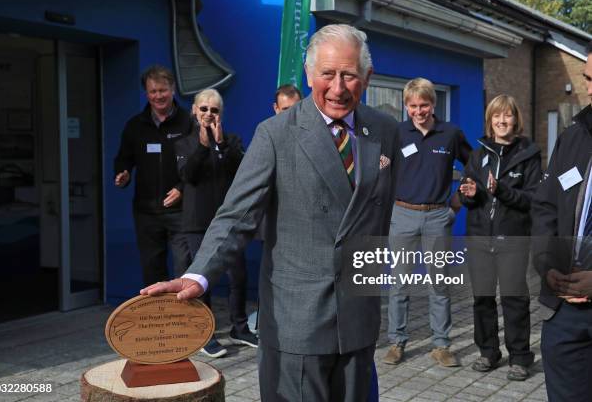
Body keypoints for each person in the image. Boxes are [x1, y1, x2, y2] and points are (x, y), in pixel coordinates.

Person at [141, 24, 400, 401]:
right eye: (327, 74)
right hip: (298, 321)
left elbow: (379, 213)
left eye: (349, 75)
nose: (339, 87)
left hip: (359, 315)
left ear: (368, 76)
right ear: (310, 75)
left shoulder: (385, 130)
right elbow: (237, 214)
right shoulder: (275, 134)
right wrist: (200, 273)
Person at [384, 77, 471, 367]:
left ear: (433, 104)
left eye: (424, 105)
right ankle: (396, 341)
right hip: (402, 214)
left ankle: (441, 345)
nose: (418, 111)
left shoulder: (451, 133)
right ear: (405, 106)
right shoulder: (396, 134)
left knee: (439, 284)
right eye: (412, 106)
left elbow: (475, 168)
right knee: (399, 284)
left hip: (437, 216)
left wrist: (456, 205)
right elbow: (381, 172)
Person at [459, 95, 540, 380]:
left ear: (516, 119)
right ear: (490, 120)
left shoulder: (528, 154)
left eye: (507, 116)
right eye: (496, 116)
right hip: (479, 237)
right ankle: (488, 352)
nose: (501, 121)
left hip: (513, 238)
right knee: (482, 298)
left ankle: (520, 357)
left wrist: (502, 191)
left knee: (514, 299)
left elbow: (532, 199)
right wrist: (468, 194)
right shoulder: (478, 154)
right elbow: (470, 192)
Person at [174, 88, 256, 358]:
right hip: (197, 222)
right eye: (204, 109)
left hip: (228, 222)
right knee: (202, 279)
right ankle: (204, 334)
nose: (209, 114)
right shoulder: (184, 143)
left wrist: (220, 146)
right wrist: (203, 146)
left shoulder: (231, 141)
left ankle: (239, 328)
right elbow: (189, 175)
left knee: (238, 276)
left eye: (215, 110)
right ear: (194, 111)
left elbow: (241, 172)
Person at [532, 40, 592, 401]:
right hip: (565, 312)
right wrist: (546, 263)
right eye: (588, 78)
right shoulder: (574, 135)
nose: (591, 89)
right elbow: (544, 207)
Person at [114, 65, 192, 286]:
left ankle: (186, 320)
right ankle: (158, 319)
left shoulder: (187, 122)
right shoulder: (135, 125)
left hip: (180, 211)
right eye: (153, 91)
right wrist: (122, 173)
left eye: (162, 90)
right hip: (146, 212)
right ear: (146, 93)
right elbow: (123, 158)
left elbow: (199, 161)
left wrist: (182, 188)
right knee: (151, 269)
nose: (158, 96)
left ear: (173, 89)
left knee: (184, 269)